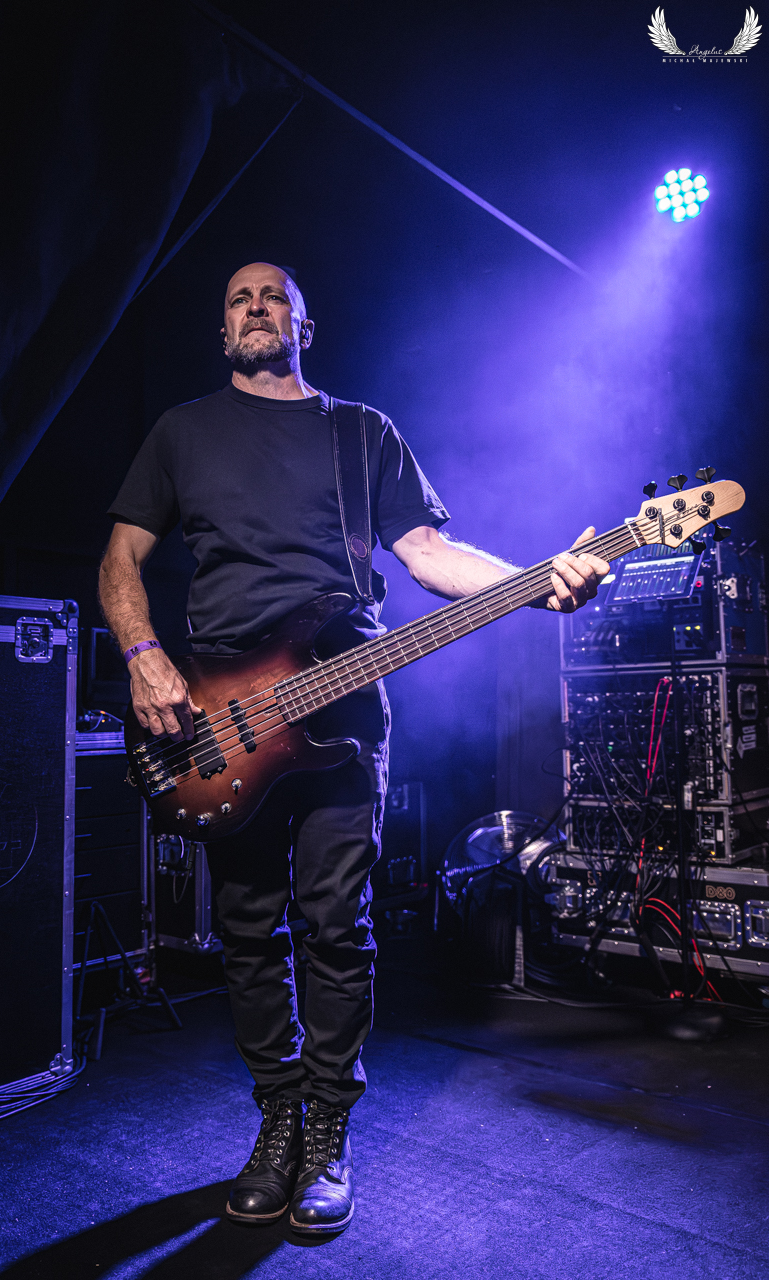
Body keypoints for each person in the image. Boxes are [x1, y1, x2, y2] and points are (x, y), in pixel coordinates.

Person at [98, 262, 608, 1234]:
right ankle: (277, 1119)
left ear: (304, 325)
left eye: (273, 297)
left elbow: (426, 554)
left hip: (344, 707)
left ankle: (327, 1130)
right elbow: (120, 559)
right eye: (238, 297)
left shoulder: (360, 432)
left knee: (335, 925)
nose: (255, 306)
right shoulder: (181, 432)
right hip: (221, 719)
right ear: (222, 330)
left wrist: (539, 577)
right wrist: (142, 654)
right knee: (248, 928)